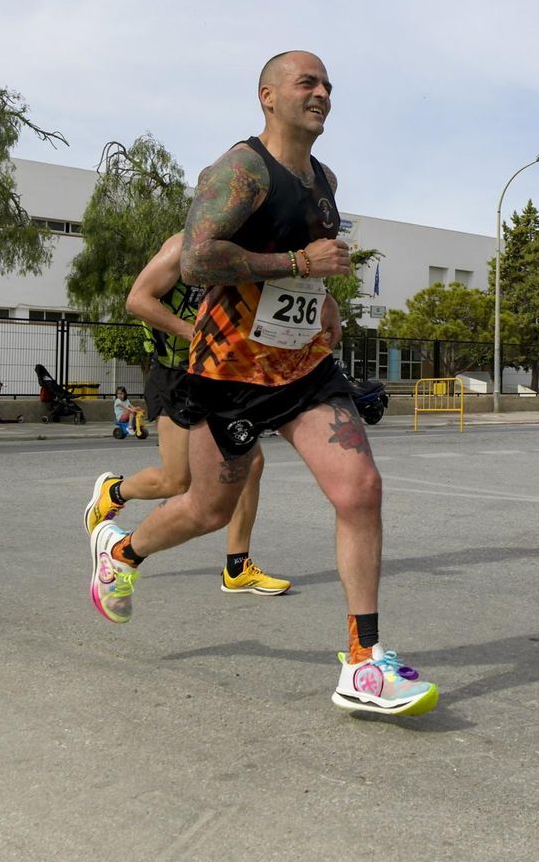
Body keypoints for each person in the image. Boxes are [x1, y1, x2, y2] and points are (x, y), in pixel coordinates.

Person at [85, 50, 437, 717]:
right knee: (207, 509)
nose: (322, 92)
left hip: (303, 367)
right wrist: (300, 262)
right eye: (308, 82)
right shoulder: (241, 170)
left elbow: (309, 270)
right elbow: (197, 260)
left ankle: (363, 663)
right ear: (268, 96)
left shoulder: (325, 180)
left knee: (361, 489)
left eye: (328, 84)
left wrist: (323, 300)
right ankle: (122, 552)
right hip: (230, 372)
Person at [85, 233, 291, 596]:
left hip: (219, 373)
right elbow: (137, 300)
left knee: (250, 463)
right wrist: (194, 334)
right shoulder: (183, 247)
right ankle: (114, 491)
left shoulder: (246, 251)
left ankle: (237, 567)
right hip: (176, 375)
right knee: (177, 481)